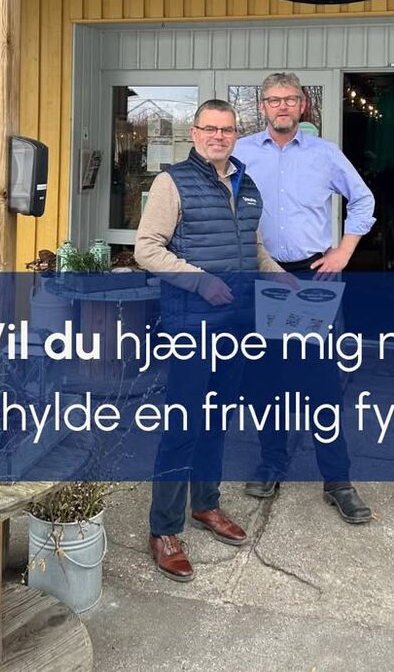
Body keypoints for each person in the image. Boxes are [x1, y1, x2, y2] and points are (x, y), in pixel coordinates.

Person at [135, 99, 283, 582]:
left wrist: (282, 277)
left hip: (236, 325)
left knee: (217, 419)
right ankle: (163, 529)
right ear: (195, 133)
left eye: (227, 130)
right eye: (210, 129)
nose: (218, 136)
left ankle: (206, 504)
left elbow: (254, 248)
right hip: (192, 326)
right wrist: (200, 281)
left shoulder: (247, 185)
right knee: (183, 425)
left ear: (236, 135)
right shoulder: (172, 182)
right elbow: (146, 250)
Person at [235, 71, 377, 524]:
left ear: (302, 106)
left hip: (312, 278)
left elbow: (363, 201)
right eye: (274, 99)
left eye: (290, 99)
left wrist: (344, 251)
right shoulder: (240, 152)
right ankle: (271, 464)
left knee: (320, 382)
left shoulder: (324, 154)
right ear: (262, 106)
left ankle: (337, 480)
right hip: (261, 276)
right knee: (265, 379)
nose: (282, 106)